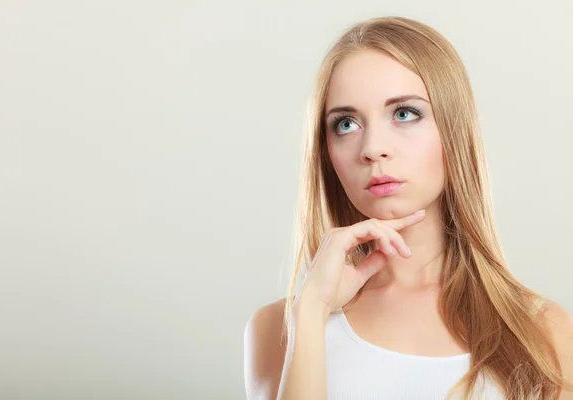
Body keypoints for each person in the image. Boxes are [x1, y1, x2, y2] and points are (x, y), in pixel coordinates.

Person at [243, 16, 573, 400]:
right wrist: (312, 308)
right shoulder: (281, 327)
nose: (371, 148)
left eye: (404, 114)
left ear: (454, 129)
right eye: (346, 124)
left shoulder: (542, 331)